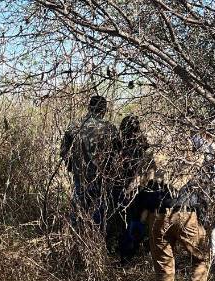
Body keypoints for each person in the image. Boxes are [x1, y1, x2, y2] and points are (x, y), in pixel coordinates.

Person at [146, 133, 213, 281]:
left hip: (157, 214)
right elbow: (203, 189)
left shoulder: (152, 156)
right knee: (204, 258)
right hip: (185, 212)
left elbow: (141, 187)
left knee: (164, 267)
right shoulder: (192, 156)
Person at [60, 95, 120, 232]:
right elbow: (118, 154)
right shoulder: (110, 128)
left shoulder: (74, 126)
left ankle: (77, 237)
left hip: (80, 177)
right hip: (102, 177)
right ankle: (97, 237)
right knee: (100, 211)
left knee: (78, 210)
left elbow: (64, 152)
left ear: (89, 107)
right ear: (104, 110)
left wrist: (73, 167)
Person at [115, 114, 155, 263]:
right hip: (141, 188)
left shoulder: (124, 145)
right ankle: (134, 250)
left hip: (131, 188)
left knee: (131, 221)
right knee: (137, 220)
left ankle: (128, 253)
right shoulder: (143, 144)